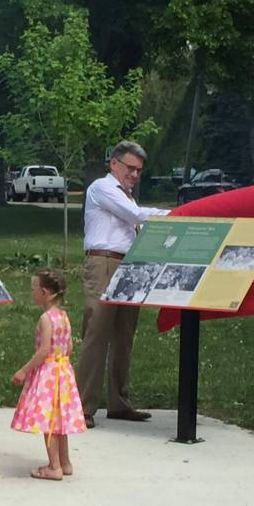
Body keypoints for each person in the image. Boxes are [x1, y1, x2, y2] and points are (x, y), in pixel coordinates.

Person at [76, 140, 169, 428]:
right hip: (103, 263)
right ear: (113, 163)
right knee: (97, 332)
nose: (135, 175)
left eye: (139, 170)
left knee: (123, 335)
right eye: (130, 168)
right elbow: (135, 217)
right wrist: (175, 214)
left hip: (128, 265)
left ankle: (119, 402)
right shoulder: (102, 188)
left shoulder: (126, 195)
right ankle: (82, 406)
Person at [11, 268, 87, 480]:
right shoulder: (63, 316)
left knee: (48, 422)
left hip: (48, 375)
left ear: (44, 292)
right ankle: (65, 462)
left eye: (33, 289)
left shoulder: (46, 318)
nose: (31, 292)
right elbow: (70, 346)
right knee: (60, 419)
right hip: (64, 372)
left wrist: (24, 370)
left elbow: (43, 350)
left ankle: (54, 467)